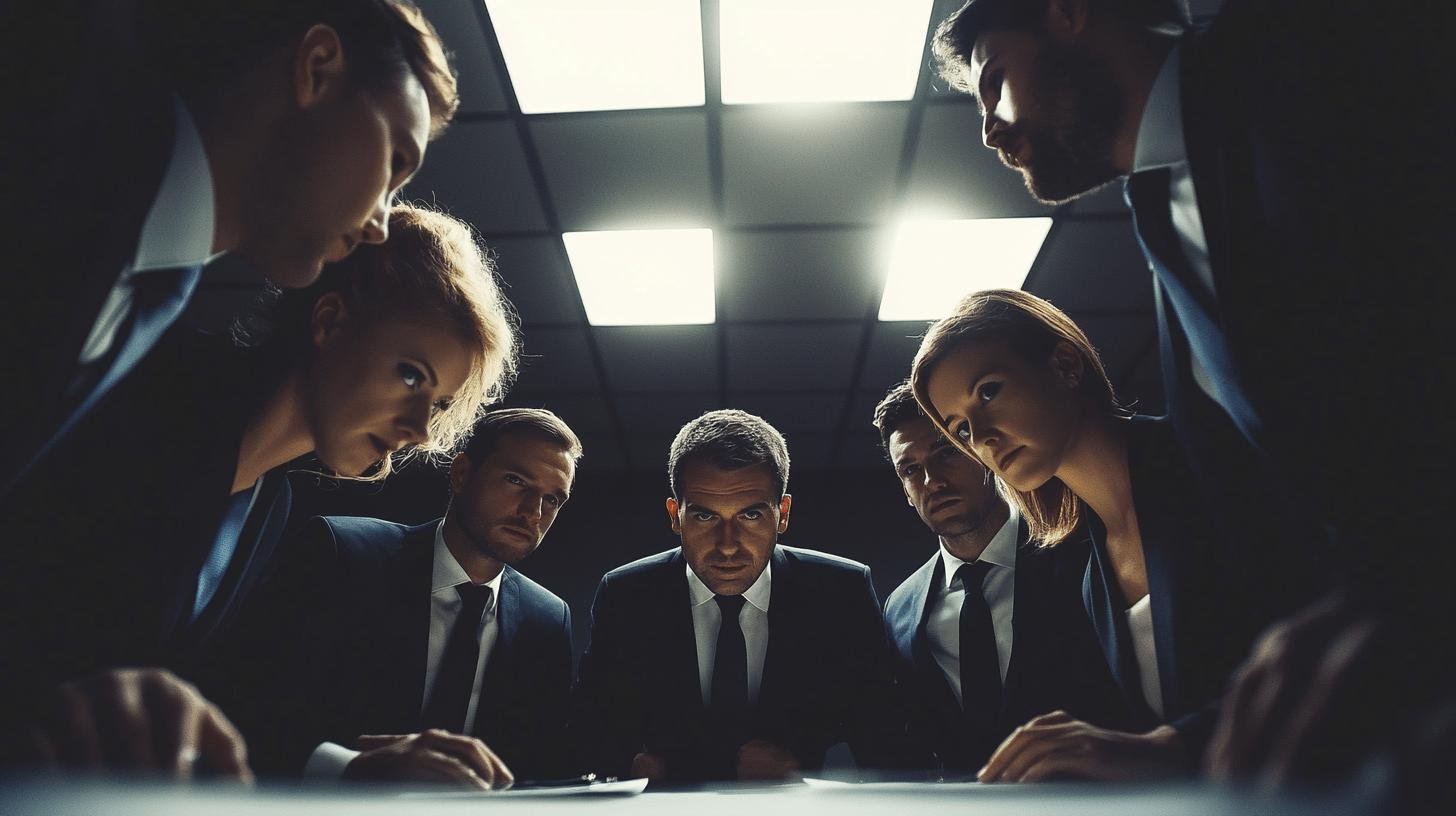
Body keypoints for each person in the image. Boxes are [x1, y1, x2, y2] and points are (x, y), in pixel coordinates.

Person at [928, 0, 1453, 784]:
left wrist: (1412, 594)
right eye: (960, 429)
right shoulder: (1164, 229)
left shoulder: (1310, 57)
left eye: (995, 81)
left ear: (1069, 15)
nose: (989, 131)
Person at [0, 205, 517, 779]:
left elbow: (211, 704)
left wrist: (349, 767)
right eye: (411, 374)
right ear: (329, 322)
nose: (420, 428)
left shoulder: (272, 508)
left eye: (440, 402)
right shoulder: (149, 393)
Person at [0, 0, 456, 499]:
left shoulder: (157, 297)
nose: (380, 227)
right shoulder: (48, 97)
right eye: (394, 162)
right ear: (318, 67)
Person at [907, 289, 1323, 782]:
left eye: (989, 391)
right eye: (960, 429)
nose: (983, 436)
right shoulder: (1080, 564)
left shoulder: (1215, 462)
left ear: (1065, 364)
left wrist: (1171, 747)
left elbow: (1343, 649)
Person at [214, 409, 581, 790]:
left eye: (553, 499)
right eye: (515, 480)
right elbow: (242, 701)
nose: (533, 512)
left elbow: (539, 761)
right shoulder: (342, 554)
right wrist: (350, 766)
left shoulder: (548, 619)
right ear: (461, 473)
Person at [572, 410, 908, 783]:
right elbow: (588, 730)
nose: (727, 546)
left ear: (782, 513)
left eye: (750, 515)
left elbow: (884, 739)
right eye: (704, 517)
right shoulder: (625, 596)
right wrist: (634, 763)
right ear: (675, 515)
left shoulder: (840, 593)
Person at [873, 381, 1128, 777]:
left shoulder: (1079, 552)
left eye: (947, 453)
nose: (931, 481)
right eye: (910, 469)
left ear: (984, 453)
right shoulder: (901, 605)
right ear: (905, 490)